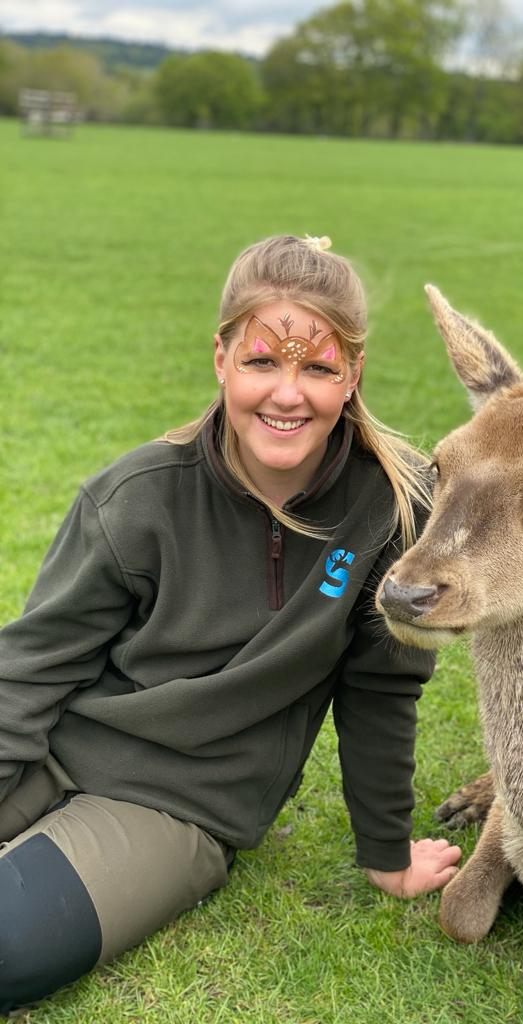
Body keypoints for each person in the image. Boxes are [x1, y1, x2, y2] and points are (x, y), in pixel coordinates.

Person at [0, 234, 461, 1013]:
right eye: (261, 362)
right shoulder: (134, 497)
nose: (288, 394)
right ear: (221, 359)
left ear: (352, 376)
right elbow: (32, 667)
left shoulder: (392, 510)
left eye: (316, 368)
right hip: (61, 746)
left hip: (178, 803)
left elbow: (382, 691)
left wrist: (386, 855)